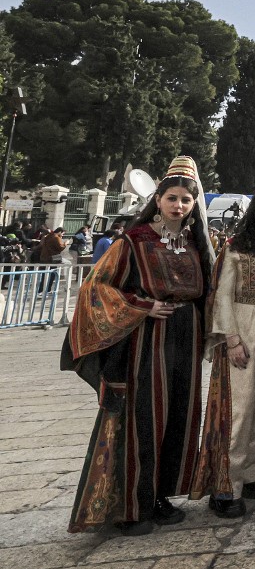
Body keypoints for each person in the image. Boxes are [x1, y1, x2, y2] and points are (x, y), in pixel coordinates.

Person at [60, 156, 213, 535]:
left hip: (186, 341)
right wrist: (143, 306)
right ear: (157, 199)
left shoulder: (196, 245)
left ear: (194, 206)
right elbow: (95, 288)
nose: (179, 205)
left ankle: (159, 496)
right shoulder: (134, 240)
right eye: (172, 198)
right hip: (147, 341)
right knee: (144, 418)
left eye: (186, 201)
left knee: (178, 415)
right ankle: (132, 504)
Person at [191, 170, 255, 518]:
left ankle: (253, 473)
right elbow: (221, 297)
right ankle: (225, 485)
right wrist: (231, 339)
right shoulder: (235, 248)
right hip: (243, 329)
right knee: (239, 409)